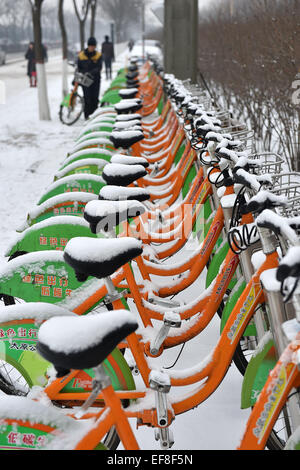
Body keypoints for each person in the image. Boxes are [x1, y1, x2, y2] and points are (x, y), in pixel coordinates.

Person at [77, 36, 103, 120]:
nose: (91, 47)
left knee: (94, 99)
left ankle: (94, 117)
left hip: (96, 80)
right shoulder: (81, 56)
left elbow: (99, 67)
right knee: (87, 99)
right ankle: (87, 116)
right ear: (88, 46)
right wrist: (84, 73)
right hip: (85, 81)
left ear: (95, 46)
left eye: (93, 46)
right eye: (90, 46)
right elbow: (79, 67)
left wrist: (91, 73)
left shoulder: (98, 55)